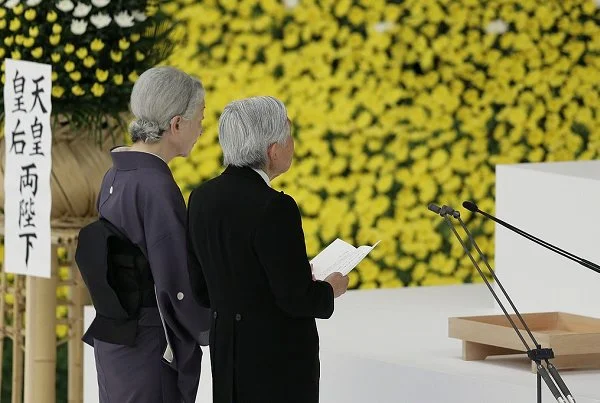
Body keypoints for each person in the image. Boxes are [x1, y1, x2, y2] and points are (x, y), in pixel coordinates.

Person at [186, 95, 349, 403]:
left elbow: (202, 290)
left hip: (227, 355)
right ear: (273, 150)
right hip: (275, 362)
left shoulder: (201, 198)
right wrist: (330, 288)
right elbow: (296, 299)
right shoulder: (276, 207)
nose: (293, 143)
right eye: (289, 136)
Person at [75, 66, 211, 403]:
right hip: (147, 340)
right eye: (200, 117)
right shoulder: (156, 185)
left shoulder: (115, 175)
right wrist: (210, 325)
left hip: (117, 334)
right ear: (177, 124)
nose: (202, 128)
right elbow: (175, 282)